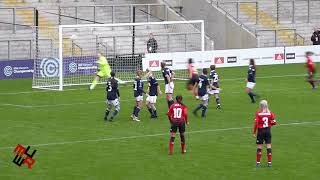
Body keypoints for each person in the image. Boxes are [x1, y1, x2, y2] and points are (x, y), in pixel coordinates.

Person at [252, 100, 277, 168]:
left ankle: (258, 163)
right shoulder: (270, 113)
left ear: (260, 106)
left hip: (260, 132)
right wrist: (269, 124)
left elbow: (256, 124)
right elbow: (274, 123)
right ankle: (269, 163)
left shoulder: (258, 113)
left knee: (259, 147)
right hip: (268, 131)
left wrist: (254, 132)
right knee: (268, 146)